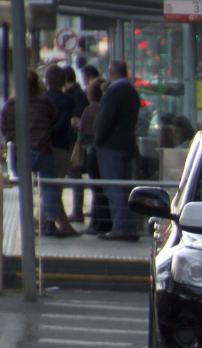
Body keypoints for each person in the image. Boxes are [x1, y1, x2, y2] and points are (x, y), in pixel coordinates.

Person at [0, 69, 71, 238]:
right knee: (49, 187)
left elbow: (3, 128)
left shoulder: (11, 104)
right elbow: (53, 117)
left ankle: (26, 221)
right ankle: (49, 222)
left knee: (24, 189)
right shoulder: (44, 102)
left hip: (21, 152)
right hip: (43, 150)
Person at [94, 59, 141, 241]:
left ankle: (121, 227)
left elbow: (105, 119)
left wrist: (98, 139)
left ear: (112, 73)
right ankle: (127, 225)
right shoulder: (131, 91)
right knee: (124, 186)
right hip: (126, 144)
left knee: (114, 187)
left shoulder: (113, 92)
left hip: (111, 146)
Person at [43, 65, 78, 234]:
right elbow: (64, 125)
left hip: (42, 147)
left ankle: (55, 223)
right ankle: (50, 223)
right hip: (61, 147)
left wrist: (44, 134)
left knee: (49, 187)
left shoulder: (42, 99)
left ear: (47, 80)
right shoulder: (67, 101)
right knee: (55, 187)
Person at [77, 78, 111, 234]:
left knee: (96, 189)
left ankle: (97, 222)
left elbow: (82, 134)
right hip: (105, 154)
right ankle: (103, 221)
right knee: (103, 189)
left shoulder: (90, 110)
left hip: (92, 153)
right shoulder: (105, 108)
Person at [63, 66, 89, 221]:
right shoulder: (77, 94)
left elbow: (77, 120)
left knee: (75, 176)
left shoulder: (75, 96)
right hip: (73, 142)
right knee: (74, 177)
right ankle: (77, 210)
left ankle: (77, 210)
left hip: (73, 143)